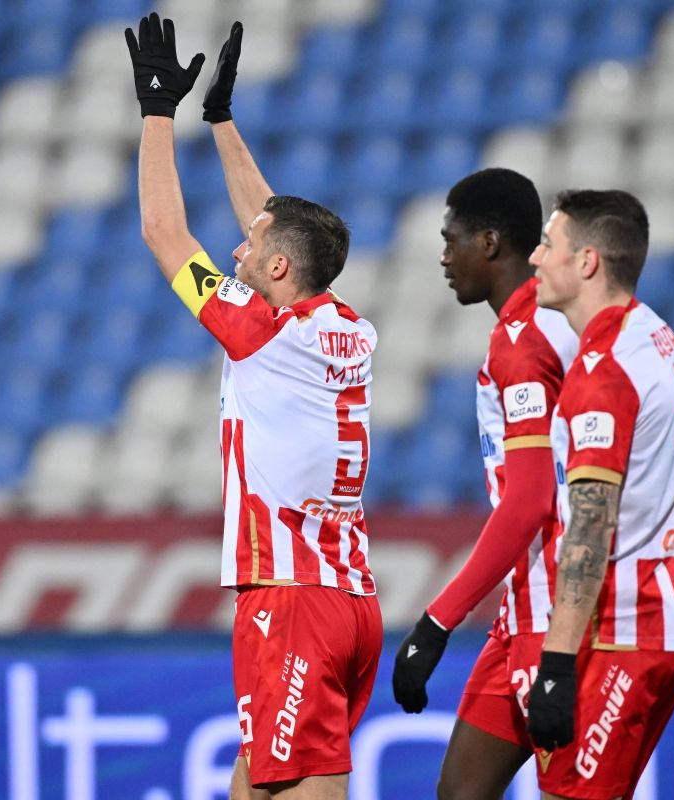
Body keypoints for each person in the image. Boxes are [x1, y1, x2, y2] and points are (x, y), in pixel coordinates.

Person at [125, 14, 382, 800]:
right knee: (255, 782)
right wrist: (223, 122)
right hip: (350, 597)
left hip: (292, 597)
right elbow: (286, 230)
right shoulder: (346, 326)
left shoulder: (261, 337)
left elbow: (164, 232)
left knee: (302, 786)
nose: (237, 247)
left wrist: (157, 113)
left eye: (250, 245)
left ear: (275, 266)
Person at [389, 168, 578, 799]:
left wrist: (436, 623)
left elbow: (529, 501)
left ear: (490, 243)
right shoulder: (542, 326)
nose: (444, 257)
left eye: (452, 240)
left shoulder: (525, 341)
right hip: (525, 609)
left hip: (560, 617)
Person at [526, 190, 674, 800]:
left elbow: (590, 528)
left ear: (588, 262)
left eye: (549, 244)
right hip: (667, 616)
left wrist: (556, 661)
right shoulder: (656, 337)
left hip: (626, 627)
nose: (535, 259)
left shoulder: (605, 372)